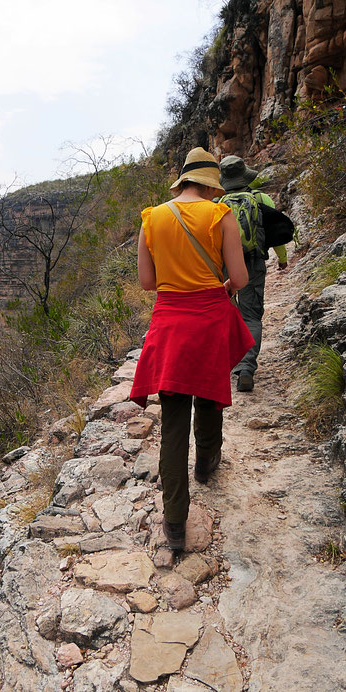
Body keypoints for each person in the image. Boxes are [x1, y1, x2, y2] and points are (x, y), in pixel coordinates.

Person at [130, 147, 254, 550]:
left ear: (182, 180)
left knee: (172, 419)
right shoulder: (220, 215)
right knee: (209, 393)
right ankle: (206, 462)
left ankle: (175, 522)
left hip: (169, 325)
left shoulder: (152, 218)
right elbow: (239, 277)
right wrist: (221, 284)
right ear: (208, 184)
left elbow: (148, 283)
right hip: (209, 320)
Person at [219, 155, 288, 392]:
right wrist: (283, 259)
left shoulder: (216, 203)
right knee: (251, 315)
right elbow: (274, 233)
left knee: (227, 313)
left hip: (224, 266)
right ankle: (246, 368)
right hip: (253, 263)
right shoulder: (261, 198)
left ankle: (227, 362)